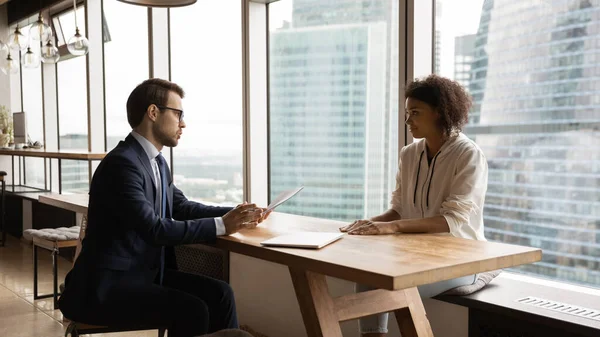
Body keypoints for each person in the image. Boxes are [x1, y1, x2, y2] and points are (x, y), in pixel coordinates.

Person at [59, 78, 269, 337]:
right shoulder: (122, 164)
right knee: (193, 310)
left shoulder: (156, 162)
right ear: (153, 112)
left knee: (221, 293)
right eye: (178, 113)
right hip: (105, 287)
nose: (183, 123)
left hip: (142, 274)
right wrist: (223, 225)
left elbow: (182, 208)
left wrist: (238, 214)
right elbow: (154, 229)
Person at [340, 74, 488, 337]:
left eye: (416, 113)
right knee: (366, 274)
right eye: (407, 112)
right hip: (415, 255)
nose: (408, 120)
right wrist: (366, 225)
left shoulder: (468, 155)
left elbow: (451, 221)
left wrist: (392, 227)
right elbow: (398, 209)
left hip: (462, 261)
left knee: (386, 286)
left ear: (440, 113)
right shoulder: (409, 154)